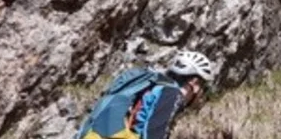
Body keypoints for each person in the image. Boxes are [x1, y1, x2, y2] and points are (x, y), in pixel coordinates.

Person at [75, 50, 214, 139]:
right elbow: (153, 133)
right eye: (203, 86)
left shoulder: (154, 86)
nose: (201, 93)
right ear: (194, 82)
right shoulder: (171, 93)